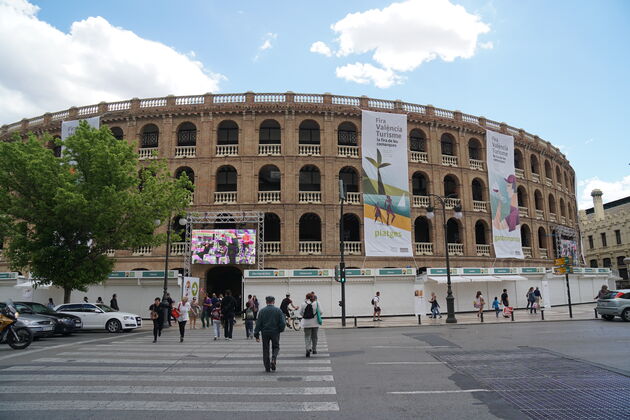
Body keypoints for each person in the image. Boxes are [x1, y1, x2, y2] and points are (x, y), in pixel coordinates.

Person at [254, 296, 286, 372]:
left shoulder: (262, 311)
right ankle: (273, 359)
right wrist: (280, 330)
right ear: (274, 302)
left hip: (265, 332)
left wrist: (256, 334)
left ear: (266, 302)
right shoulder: (278, 310)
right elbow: (283, 323)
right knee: (276, 347)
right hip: (275, 332)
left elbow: (258, 324)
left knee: (265, 349)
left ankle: (267, 367)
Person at [299, 293, 323, 357]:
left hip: (306, 323)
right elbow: (321, 312)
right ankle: (314, 349)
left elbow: (301, 313)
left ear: (306, 297)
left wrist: (306, 316)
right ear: (313, 297)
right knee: (314, 337)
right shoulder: (317, 303)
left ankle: (308, 349)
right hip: (315, 323)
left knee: (307, 336)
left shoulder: (303, 304)